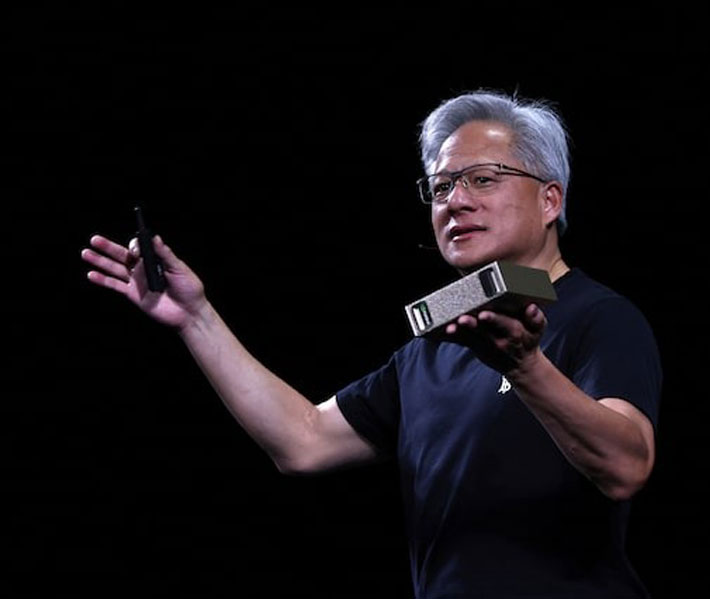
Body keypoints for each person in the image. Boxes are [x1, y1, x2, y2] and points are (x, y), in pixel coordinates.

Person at [82, 91, 662, 598]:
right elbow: (302, 440)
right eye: (440, 187)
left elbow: (626, 466)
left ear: (550, 200)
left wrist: (526, 367)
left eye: (483, 178)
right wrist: (196, 318)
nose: (455, 201)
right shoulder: (431, 347)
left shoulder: (601, 317)